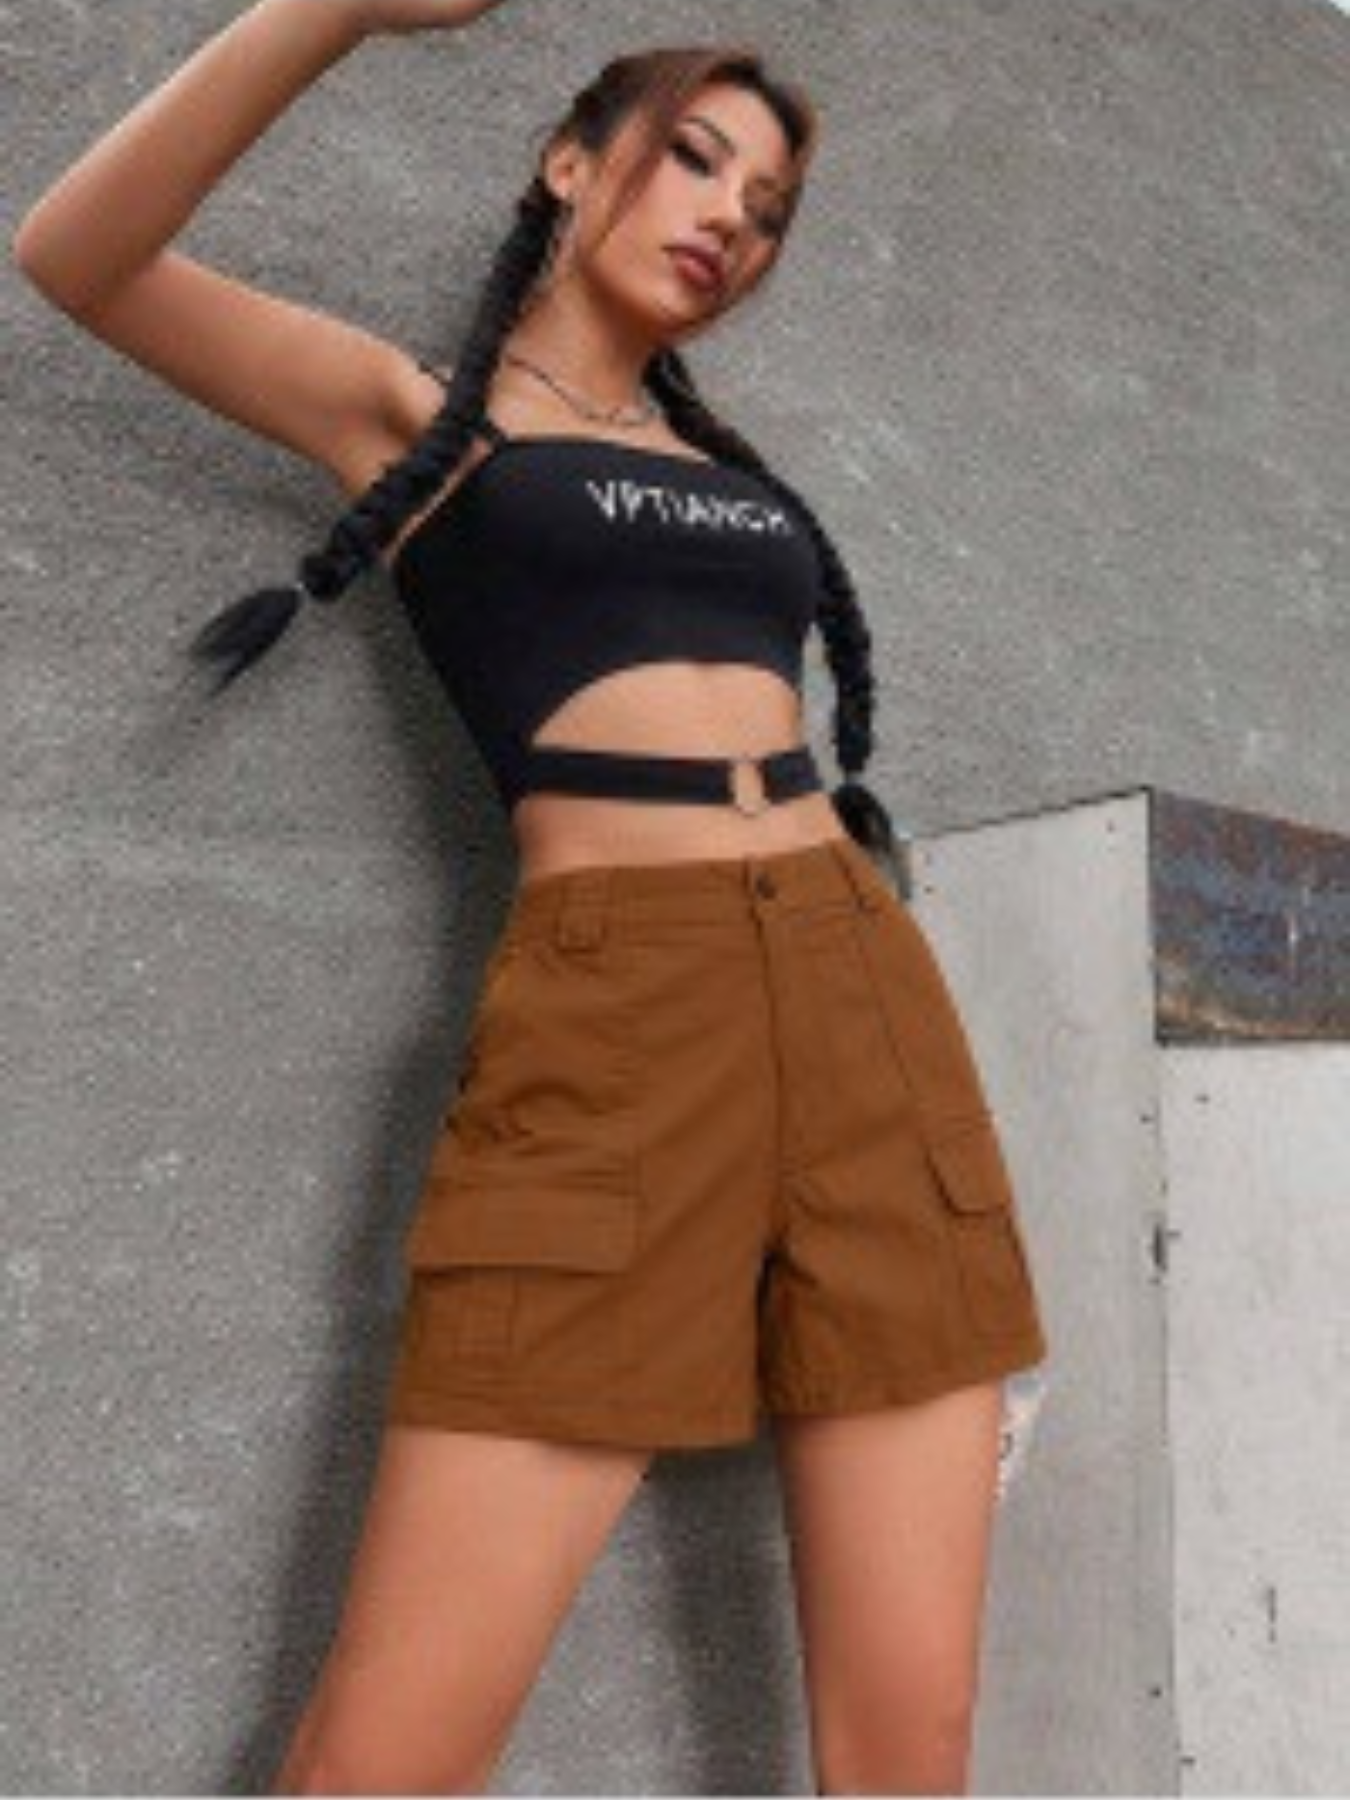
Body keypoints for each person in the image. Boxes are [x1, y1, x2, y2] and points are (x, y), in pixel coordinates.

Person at [13, 1, 1052, 1790]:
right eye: (694, 157)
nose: (729, 216)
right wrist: (336, 12)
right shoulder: (419, 421)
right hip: (620, 1006)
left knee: (914, 1739)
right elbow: (76, 253)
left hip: (862, 993)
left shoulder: (726, 467)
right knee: (384, 1757)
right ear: (567, 163)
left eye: (767, 206)